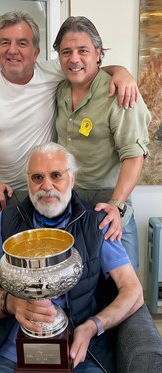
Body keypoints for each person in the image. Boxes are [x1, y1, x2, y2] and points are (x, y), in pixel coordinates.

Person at [0, 142, 144, 373]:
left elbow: (133, 291)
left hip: (82, 360)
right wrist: (12, 303)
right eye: (37, 177)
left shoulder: (97, 222)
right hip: (13, 360)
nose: (46, 186)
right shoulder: (6, 222)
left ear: (72, 178)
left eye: (56, 175)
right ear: (28, 181)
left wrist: (92, 326)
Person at [0, 10, 140, 237]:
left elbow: (88, 69)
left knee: (49, 257)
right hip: (1, 191)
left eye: (22, 43)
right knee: (2, 258)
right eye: (5, 42)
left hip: (48, 188)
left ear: (36, 53)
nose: (12, 50)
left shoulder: (51, 73)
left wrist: (122, 72)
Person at [53, 16, 151, 270]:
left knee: (123, 291)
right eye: (66, 52)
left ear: (98, 53)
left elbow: (133, 156)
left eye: (83, 50)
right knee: (77, 286)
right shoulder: (60, 89)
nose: (74, 59)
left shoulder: (120, 94)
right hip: (71, 208)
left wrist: (116, 206)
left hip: (109, 208)